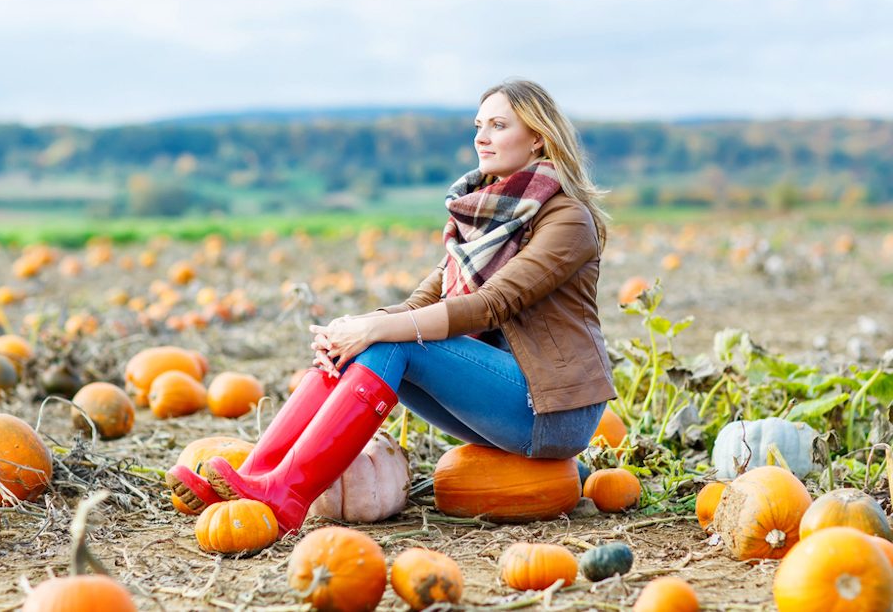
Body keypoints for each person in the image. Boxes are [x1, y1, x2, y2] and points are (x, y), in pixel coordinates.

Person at [166, 79, 616, 534]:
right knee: (367, 343)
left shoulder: (567, 219)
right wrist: (357, 327)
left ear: (537, 136)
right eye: (479, 125)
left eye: (498, 126)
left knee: (391, 343)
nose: (481, 137)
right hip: (504, 392)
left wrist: (376, 331)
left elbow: (490, 305)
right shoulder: (491, 213)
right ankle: (258, 478)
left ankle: (289, 493)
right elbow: (426, 298)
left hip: (553, 410)